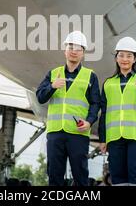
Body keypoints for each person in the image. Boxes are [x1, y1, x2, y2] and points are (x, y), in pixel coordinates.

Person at [36, 31, 100, 186]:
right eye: (71, 47)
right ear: (65, 50)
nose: (74, 51)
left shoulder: (90, 76)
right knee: (54, 176)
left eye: (78, 48)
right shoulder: (53, 74)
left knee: (80, 176)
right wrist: (52, 86)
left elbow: (95, 103)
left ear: (83, 53)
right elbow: (40, 97)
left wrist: (89, 122)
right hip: (55, 133)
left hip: (78, 133)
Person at [98, 37, 136, 186]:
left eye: (129, 56)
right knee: (118, 179)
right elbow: (104, 113)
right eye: (121, 55)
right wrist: (103, 139)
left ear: (135, 59)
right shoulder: (108, 83)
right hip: (115, 138)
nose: (125, 59)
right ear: (116, 58)